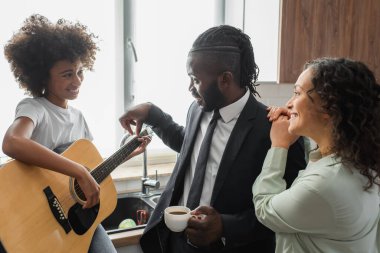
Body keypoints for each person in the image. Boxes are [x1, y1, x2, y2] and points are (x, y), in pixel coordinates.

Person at [119, 25, 306, 253]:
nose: (190, 88)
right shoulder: (198, 109)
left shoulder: (276, 130)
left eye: (195, 79)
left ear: (225, 79)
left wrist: (224, 226)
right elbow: (189, 146)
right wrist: (152, 114)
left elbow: (288, 211)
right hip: (176, 243)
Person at [2, 14, 150, 253]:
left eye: (80, 71)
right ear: (43, 77)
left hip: (75, 217)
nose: (77, 80)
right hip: (32, 214)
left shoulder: (78, 117)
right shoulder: (34, 108)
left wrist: (128, 154)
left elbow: (91, 170)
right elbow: (12, 142)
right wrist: (79, 171)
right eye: (67, 74)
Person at [253, 57, 380, 252]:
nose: (289, 104)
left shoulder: (324, 185)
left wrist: (279, 146)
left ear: (329, 106)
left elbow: (264, 208)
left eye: (297, 93)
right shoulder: (358, 163)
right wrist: (298, 126)